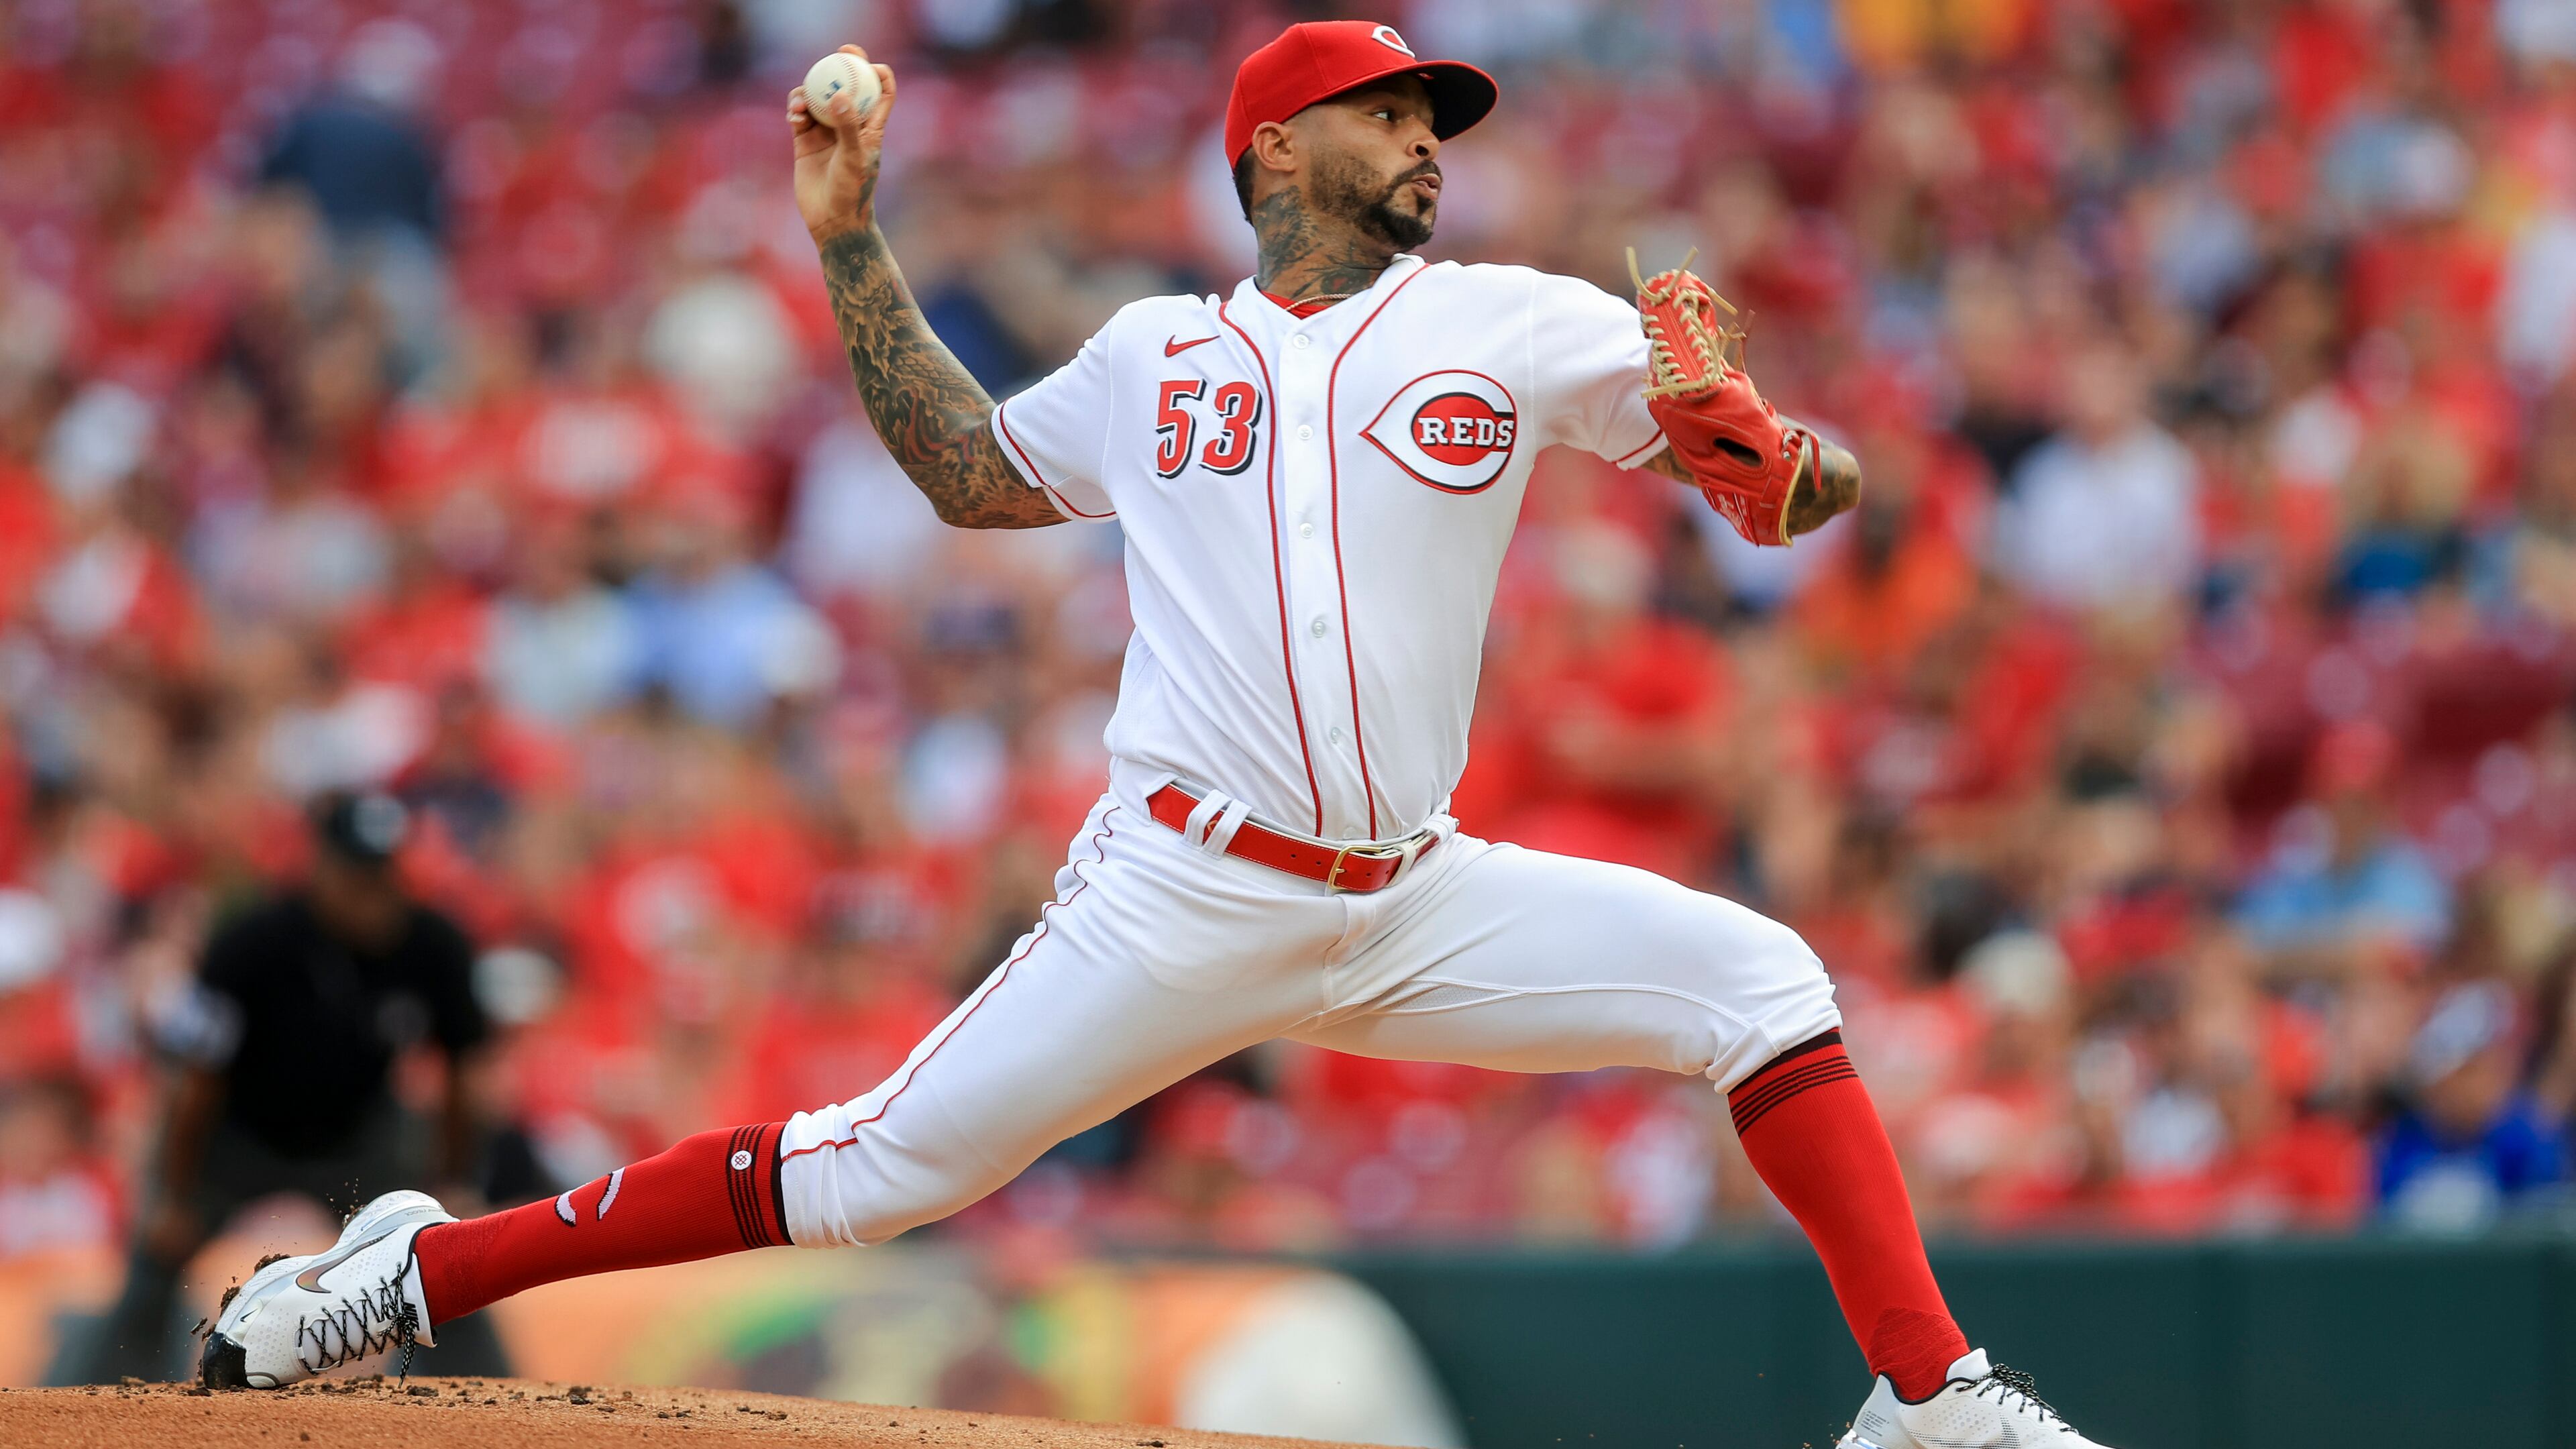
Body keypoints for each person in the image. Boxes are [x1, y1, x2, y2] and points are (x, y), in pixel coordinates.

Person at [203, 22, 2109, 1446]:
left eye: (1435, 115)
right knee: (872, 1172)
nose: (1426, 139)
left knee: (1762, 980)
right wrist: (853, 243)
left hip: (1415, 893)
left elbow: (1797, 494)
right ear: (1275, 143)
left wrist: (1774, 450)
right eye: (1388, 110)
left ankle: (1933, 1400)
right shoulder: (1150, 359)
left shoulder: (1519, 322)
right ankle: (401, 1275)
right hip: (1180, 890)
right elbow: (965, 475)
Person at [78, 792, 508, 1382]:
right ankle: (93, 1396)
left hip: (358, 1134)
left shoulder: (434, 944)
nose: (374, 895)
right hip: (240, 1132)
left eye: (385, 877)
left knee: (437, 1245)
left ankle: (486, 1396)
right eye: (358, 877)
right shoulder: (252, 941)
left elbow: (465, 1075)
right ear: (322, 868)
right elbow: (197, 1081)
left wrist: (455, 1180)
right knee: (158, 1254)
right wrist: (176, 1193)